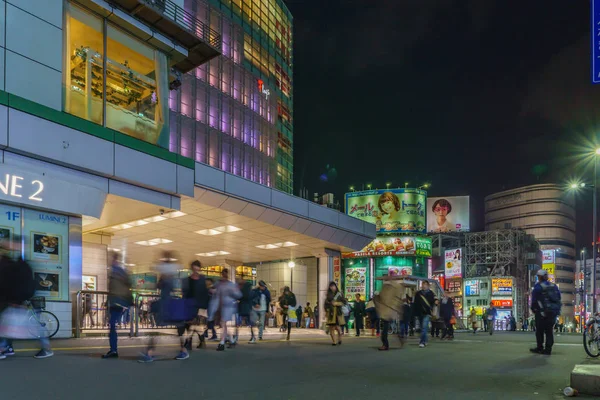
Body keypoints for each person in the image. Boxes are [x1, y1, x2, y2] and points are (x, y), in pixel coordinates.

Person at [0, 236, 53, 359]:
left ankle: (46, 348)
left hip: (22, 300)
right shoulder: (14, 263)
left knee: (32, 325)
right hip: (17, 299)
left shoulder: (20, 265)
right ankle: (6, 348)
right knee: (10, 323)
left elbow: (23, 284)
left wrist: (19, 300)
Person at [139, 252, 180, 362]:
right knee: (171, 329)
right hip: (167, 305)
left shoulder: (167, 276)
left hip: (165, 306)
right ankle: (183, 350)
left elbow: (160, 285)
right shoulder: (170, 274)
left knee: (157, 329)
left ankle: (150, 353)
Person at [102, 252, 132, 359]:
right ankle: (113, 349)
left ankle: (113, 350)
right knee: (112, 325)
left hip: (117, 302)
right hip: (119, 302)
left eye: (110, 258)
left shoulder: (116, 271)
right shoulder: (119, 271)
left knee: (112, 325)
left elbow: (116, 287)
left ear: (114, 259)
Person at [180, 260, 209, 354]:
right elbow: (185, 293)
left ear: (199, 268)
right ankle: (199, 341)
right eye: (194, 267)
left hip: (200, 305)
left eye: (197, 267)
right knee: (191, 324)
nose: (195, 269)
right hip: (190, 304)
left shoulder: (202, 279)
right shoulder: (188, 279)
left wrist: (205, 306)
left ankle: (190, 342)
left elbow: (205, 292)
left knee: (196, 324)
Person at [209, 269, 242, 352]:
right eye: (223, 274)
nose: (224, 275)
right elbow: (212, 290)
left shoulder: (231, 285)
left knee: (223, 323)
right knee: (223, 325)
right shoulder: (218, 283)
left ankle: (222, 342)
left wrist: (232, 292)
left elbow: (239, 295)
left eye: (225, 274)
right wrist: (212, 290)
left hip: (227, 307)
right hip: (219, 307)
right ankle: (231, 340)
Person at [530, 269, 561, 355]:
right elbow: (558, 298)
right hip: (552, 312)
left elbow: (534, 300)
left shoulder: (538, 286)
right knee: (549, 331)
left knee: (539, 331)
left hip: (541, 312)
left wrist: (533, 309)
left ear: (539, 277)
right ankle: (548, 349)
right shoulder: (554, 286)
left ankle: (540, 347)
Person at [412, 281, 435, 348]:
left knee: (424, 327)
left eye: (425, 285)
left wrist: (432, 310)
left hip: (427, 313)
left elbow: (432, 303)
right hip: (419, 313)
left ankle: (422, 342)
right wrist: (415, 313)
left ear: (428, 286)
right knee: (422, 328)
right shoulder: (418, 293)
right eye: (423, 284)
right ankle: (425, 340)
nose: (424, 286)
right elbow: (415, 304)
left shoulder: (431, 293)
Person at [235, 277, 254, 345]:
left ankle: (236, 337)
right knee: (248, 323)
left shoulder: (244, 289)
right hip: (246, 307)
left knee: (239, 323)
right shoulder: (248, 288)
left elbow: (241, 296)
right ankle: (252, 337)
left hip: (244, 307)